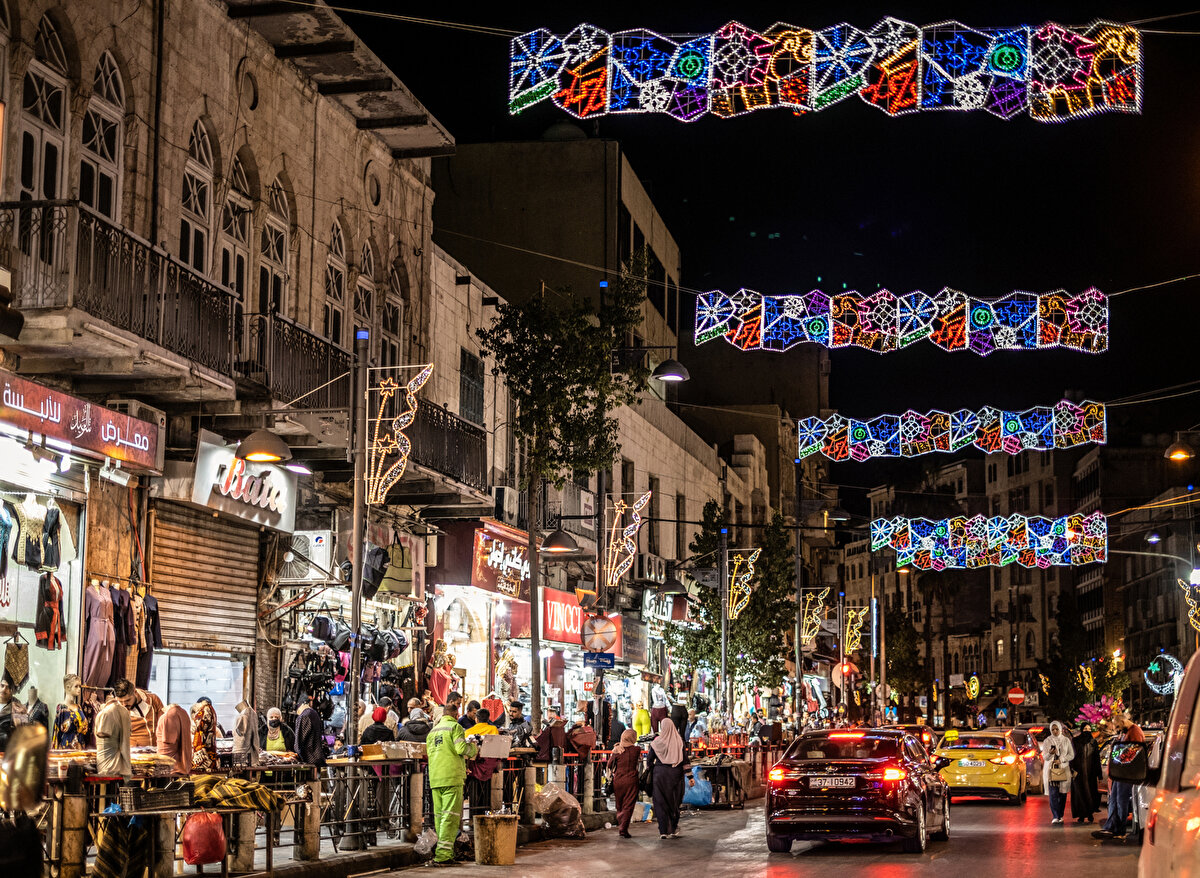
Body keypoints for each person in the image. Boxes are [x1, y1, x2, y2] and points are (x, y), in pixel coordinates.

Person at [426, 692, 478, 865]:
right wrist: (474, 750)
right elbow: (461, 748)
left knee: (440, 817)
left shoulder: (432, 731)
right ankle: (443, 855)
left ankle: (443, 853)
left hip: (435, 778)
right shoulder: (455, 727)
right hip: (451, 777)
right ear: (456, 715)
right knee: (450, 817)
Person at [1095, 711, 1145, 841]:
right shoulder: (1126, 732)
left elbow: (1133, 752)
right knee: (1114, 801)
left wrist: (1118, 757)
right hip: (1119, 772)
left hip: (1126, 773)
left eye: (1117, 726)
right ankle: (1111, 827)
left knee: (1121, 802)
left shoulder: (1134, 732)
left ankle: (1120, 830)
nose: (1117, 729)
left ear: (1122, 722)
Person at [648, 718, 692, 839]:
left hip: (659, 776)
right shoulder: (679, 741)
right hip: (675, 776)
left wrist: (654, 770)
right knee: (674, 802)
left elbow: (649, 760)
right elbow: (685, 760)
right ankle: (672, 828)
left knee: (660, 802)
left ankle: (663, 831)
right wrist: (690, 776)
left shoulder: (656, 742)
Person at [607, 729, 642, 838]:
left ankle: (621, 820)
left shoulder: (617, 750)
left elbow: (609, 764)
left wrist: (616, 748)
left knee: (619, 804)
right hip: (631, 780)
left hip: (618, 780)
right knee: (629, 805)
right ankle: (623, 828)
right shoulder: (636, 749)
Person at [96, 682, 133, 779]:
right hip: (120, 767)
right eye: (122, 701)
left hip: (108, 768)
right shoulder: (124, 712)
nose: (124, 704)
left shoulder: (106, 713)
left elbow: (102, 733)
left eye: (127, 700)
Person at [1041, 720, 1075, 824]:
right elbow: (1045, 756)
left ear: (1060, 729)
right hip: (1051, 771)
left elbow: (1071, 755)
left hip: (1063, 770)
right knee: (1053, 793)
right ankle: (1055, 816)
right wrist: (1051, 754)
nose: (1055, 731)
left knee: (1062, 794)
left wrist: (1061, 759)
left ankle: (1060, 814)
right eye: (1053, 729)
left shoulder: (1066, 740)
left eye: (1056, 729)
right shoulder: (1047, 740)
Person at [1071, 723, 1101, 823]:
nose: (1087, 731)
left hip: (1090, 773)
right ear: (1081, 729)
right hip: (1078, 773)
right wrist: (1072, 770)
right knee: (1080, 794)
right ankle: (1081, 815)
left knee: (1090, 793)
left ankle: (1090, 814)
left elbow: (1097, 758)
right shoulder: (1075, 741)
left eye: (1089, 729)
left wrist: (1099, 774)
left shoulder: (1093, 742)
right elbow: (1072, 756)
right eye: (1085, 729)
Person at [156, 702, 192, 775]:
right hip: (182, 766)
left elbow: (167, 744)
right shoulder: (183, 713)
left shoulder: (168, 716)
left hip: (169, 768)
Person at [294, 696, 328, 769]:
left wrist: (297, 755)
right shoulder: (314, 713)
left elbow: (299, 740)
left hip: (309, 758)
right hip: (317, 757)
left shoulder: (304, 716)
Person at [191, 699, 220, 772]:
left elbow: (199, 726)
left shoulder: (203, 711)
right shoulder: (211, 710)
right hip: (207, 746)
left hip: (203, 747)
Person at [233, 700, 260, 765]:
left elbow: (240, 733)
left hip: (242, 755)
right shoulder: (253, 713)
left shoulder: (243, 715)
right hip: (249, 753)